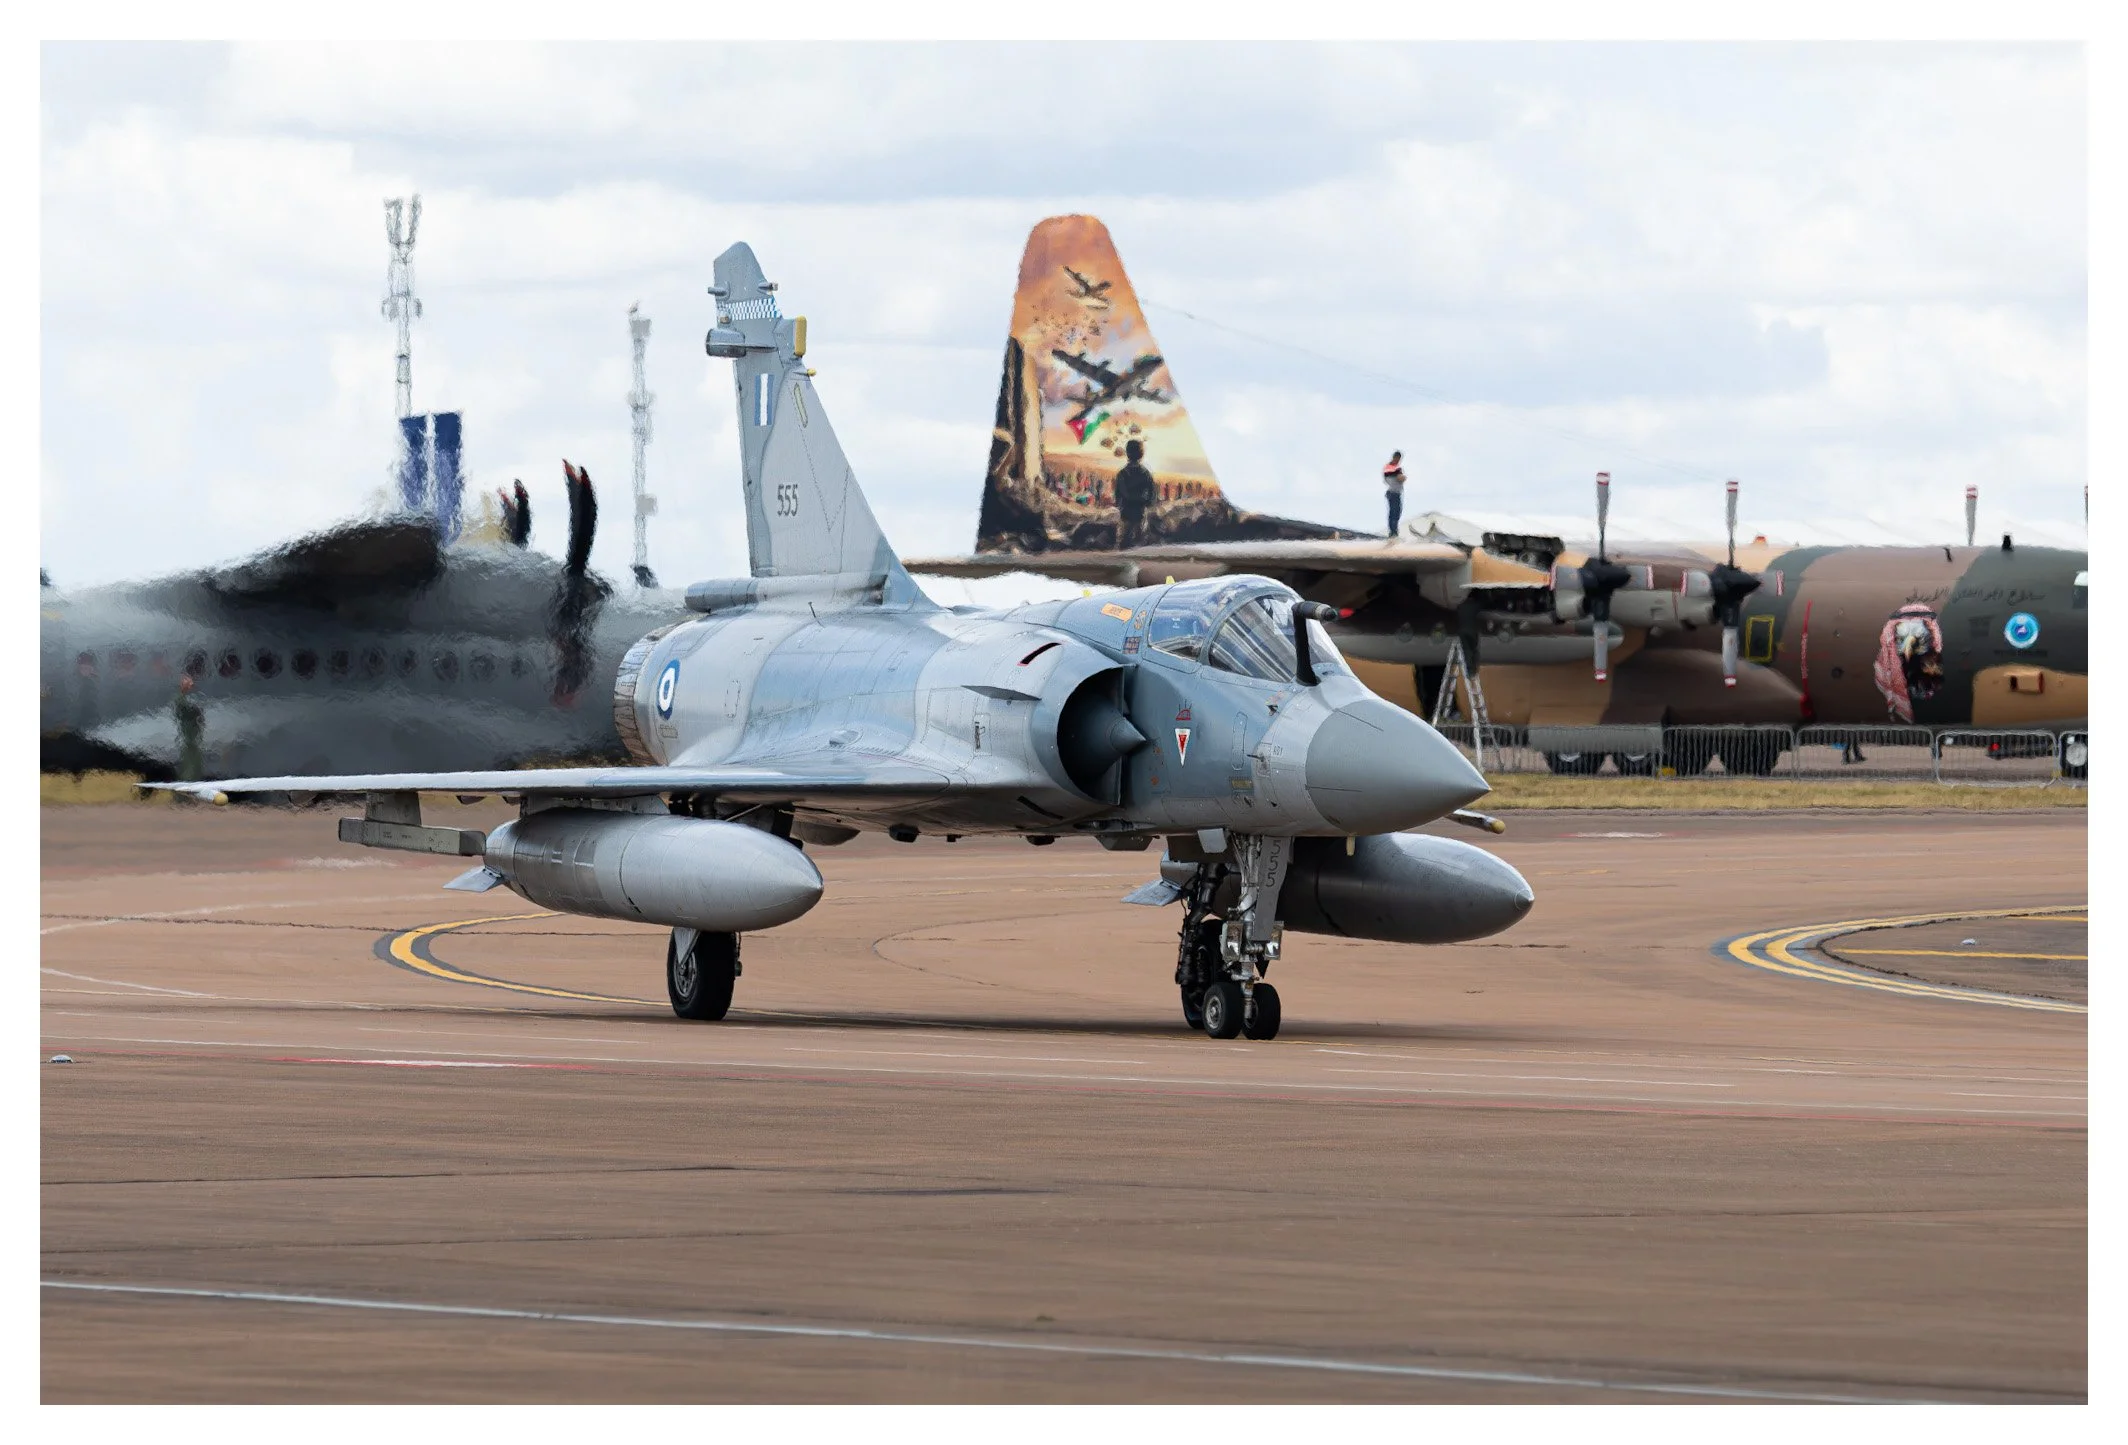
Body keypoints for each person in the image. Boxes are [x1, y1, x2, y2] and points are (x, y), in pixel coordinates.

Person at [1113, 439, 1157, 549]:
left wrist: (1120, 503)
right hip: (1140, 511)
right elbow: (1152, 495)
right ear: (1141, 454)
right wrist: (1146, 502)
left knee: (1125, 541)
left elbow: (1118, 496)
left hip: (1126, 511)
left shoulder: (1122, 473)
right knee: (1139, 543)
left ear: (1127, 453)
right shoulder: (1146, 473)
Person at [173, 674, 205, 783]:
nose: (190, 685)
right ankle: (188, 781)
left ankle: (194, 780)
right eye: (187, 683)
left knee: (195, 759)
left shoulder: (196, 697)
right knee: (189, 760)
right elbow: (181, 709)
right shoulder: (180, 699)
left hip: (194, 735)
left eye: (190, 683)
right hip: (187, 735)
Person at [1382, 450, 1407, 536]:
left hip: (1395, 492)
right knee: (1394, 513)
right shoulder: (1392, 467)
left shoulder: (1392, 467)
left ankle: (1393, 531)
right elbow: (1400, 478)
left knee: (1395, 512)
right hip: (1393, 492)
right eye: (1398, 459)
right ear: (1395, 457)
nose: (1398, 461)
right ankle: (1393, 532)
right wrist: (1402, 477)